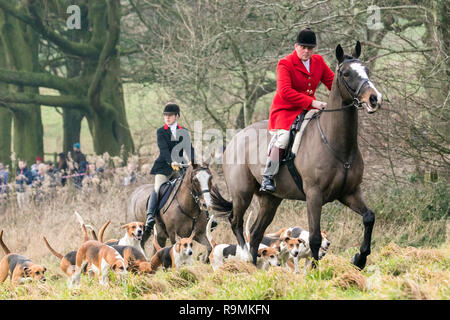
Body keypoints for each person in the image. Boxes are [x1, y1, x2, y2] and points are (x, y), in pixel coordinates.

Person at [260, 28, 335, 192]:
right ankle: (268, 176)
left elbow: (333, 84)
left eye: (310, 48)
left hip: (307, 110)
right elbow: (285, 92)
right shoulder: (285, 63)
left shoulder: (319, 62)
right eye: (303, 47)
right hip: (285, 110)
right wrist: (313, 103)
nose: (306, 51)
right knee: (284, 137)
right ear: (296, 46)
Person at [141, 103, 196, 241]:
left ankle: (206, 217)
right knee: (158, 188)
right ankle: (150, 216)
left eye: (170, 115)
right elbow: (164, 149)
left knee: (194, 185)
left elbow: (189, 148)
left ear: (177, 116)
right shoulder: (161, 131)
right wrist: (171, 161)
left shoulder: (183, 131)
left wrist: (193, 162)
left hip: (181, 166)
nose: (167, 118)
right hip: (164, 167)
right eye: (165, 115)